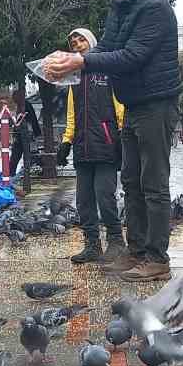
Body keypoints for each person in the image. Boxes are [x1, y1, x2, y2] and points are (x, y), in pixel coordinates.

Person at [43, 0, 180, 283]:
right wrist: (71, 61)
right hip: (133, 103)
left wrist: (82, 61)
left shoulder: (155, 8)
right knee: (131, 181)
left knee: (153, 184)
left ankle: (157, 258)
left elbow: (132, 56)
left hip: (156, 105)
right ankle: (136, 251)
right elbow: (106, 46)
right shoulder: (122, 6)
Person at [58, 27, 126, 264]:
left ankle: (116, 242)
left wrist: (121, 134)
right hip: (82, 146)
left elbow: (119, 106)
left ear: (91, 41)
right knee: (84, 201)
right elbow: (71, 114)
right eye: (73, 42)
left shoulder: (106, 70)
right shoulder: (74, 77)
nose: (77, 44)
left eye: (81, 39)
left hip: (106, 145)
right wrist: (66, 141)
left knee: (105, 196)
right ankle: (92, 244)